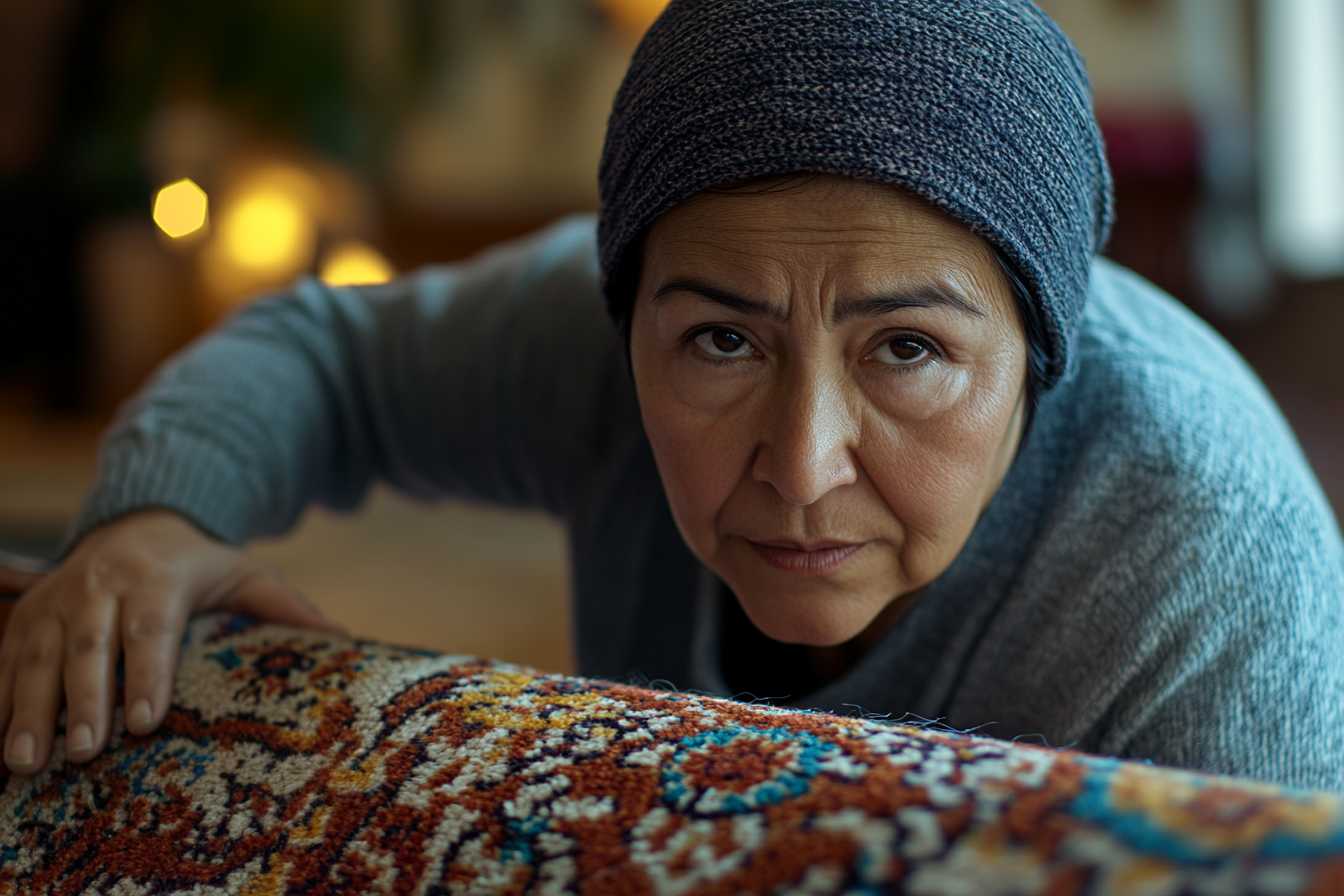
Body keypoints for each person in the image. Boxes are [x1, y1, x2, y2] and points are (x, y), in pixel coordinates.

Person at [2, 0, 1342, 790]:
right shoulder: (615, 317)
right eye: (718, 346)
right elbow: (324, 355)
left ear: (1040, 352)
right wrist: (154, 520)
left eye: (909, 352)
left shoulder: (1219, 592)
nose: (803, 464)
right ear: (630, 308)